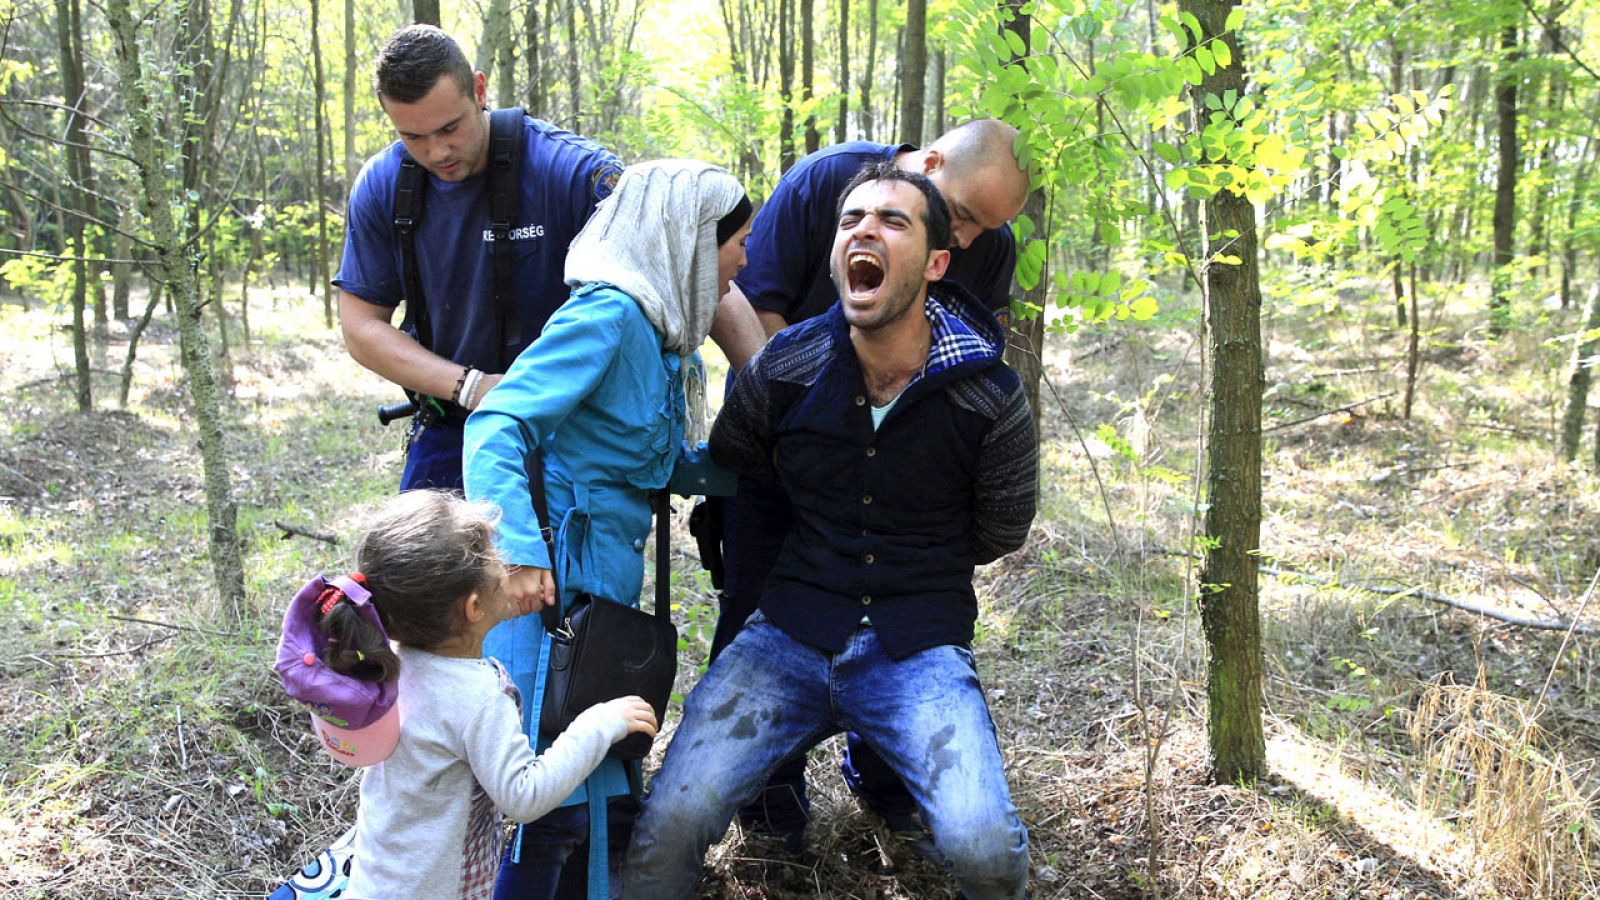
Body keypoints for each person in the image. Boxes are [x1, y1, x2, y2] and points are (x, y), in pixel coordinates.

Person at [623, 162, 1038, 898]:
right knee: (668, 830)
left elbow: (1000, 527)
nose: (864, 232)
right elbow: (740, 456)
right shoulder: (788, 366)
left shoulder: (988, 395)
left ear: (937, 264)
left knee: (987, 854)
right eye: (851, 221)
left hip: (919, 647)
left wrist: (915, 562)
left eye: (892, 221)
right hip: (789, 634)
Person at [713, 119, 1031, 845]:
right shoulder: (829, 183)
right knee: (758, 615)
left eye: (989, 227)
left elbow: (979, 350)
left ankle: (888, 781)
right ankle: (770, 805)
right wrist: (804, 416)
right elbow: (750, 302)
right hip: (782, 452)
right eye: (968, 216)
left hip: (905, 479)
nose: (975, 238)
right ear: (931, 160)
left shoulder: (989, 246)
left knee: (908, 630)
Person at [462, 160, 753, 899]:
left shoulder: (660, 337)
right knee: (541, 808)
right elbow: (496, 423)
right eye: (736, 242)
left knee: (591, 802)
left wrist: (762, 468)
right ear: (687, 239)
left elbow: (641, 457)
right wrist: (518, 556)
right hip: (549, 598)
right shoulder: (608, 316)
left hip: (602, 599)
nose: (744, 262)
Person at [334, 25, 764, 493]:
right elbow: (361, 327)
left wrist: (768, 393)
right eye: (413, 137)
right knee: (424, 565)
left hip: (574, 439)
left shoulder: (572, 172)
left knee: (553, 567)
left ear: (479, 90)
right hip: (452, 422)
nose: (438, 151)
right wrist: (473, 386)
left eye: (449, 128)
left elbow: (686, 262)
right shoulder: (385, 186)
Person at [276, 490, 658, 900]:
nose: (505, 563)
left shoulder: (388, 662)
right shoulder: (477, 697)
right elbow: (523, 796)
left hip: (376, 882)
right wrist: (598, 726)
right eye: (496, 559)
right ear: (474, 607)